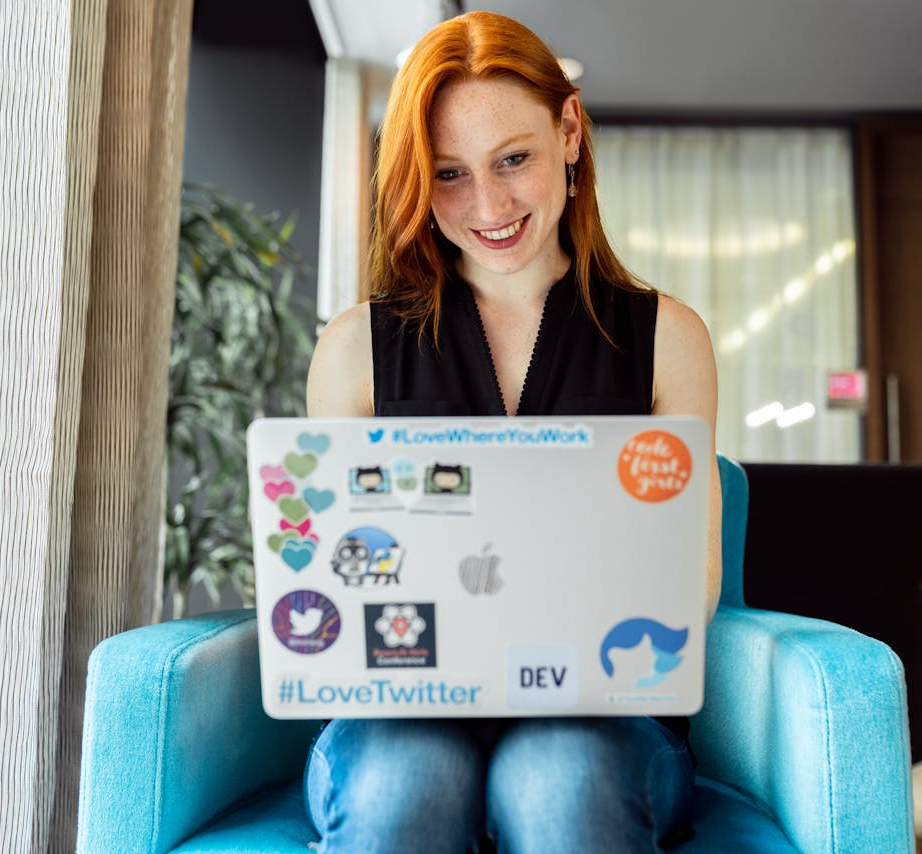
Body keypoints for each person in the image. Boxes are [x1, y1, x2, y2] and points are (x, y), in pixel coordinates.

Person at [305, 10, 722, 853]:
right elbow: (337, 575)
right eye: (449, 174)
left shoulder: (667, 339)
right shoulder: (355, 349)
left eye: (513, 160)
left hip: (605, 709)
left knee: (560, 778)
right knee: (403, 785)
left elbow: (692, 573)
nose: (487, 206)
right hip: (403, 711)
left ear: (569, 131)